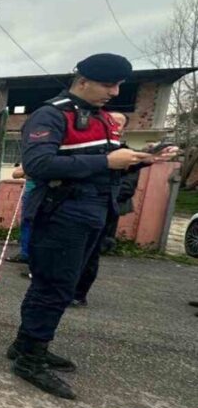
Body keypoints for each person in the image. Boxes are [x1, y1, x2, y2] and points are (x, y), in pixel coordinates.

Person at [7, 53, 177, 400]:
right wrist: (105, 160)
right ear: (83, 81)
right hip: (61, 212)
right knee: (53, 287)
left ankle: (26, 343)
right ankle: (29, 358)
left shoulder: (99, 119)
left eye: (118, 85)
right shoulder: (52, 114)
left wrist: (139, 161)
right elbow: (38, 163)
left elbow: (104, 165)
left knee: (60, 285)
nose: (114, 92)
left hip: (93, 211)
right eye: (108, 84)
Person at [72, 112, 137, 306]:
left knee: (90, 254)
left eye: (117, 124)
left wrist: (95, 195)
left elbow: (126, 188)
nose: (112, 125)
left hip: (104, 210)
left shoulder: (127, 154)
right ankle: (62, 289)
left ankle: (78, 294)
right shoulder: (89, 150)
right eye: (109, 121)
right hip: (76, 210)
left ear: (123, 129)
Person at [7, 164, 34, 264]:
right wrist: (28, 172)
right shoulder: (31, 159)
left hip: (42, 193)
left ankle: (33, 256)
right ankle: (25, 254)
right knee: (26, 223)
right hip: (30, 191)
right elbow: (15, 174)